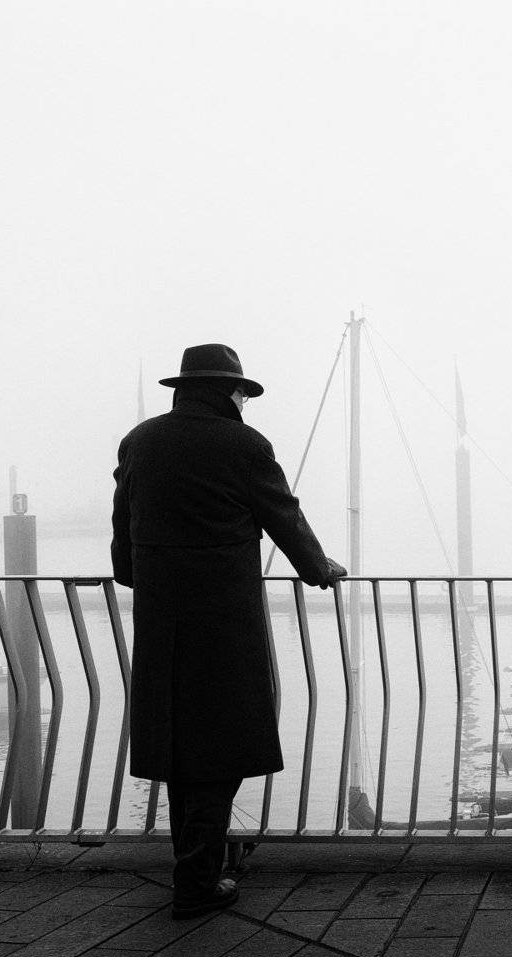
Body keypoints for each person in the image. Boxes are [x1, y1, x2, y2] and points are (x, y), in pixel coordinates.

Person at [111, 343, 346, 919]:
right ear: (226, 391)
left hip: (162, 618)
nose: (245, 401)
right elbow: (281, 514)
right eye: (242, 391)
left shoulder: (140, 440)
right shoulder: (244, 445)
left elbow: (123, 521)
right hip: (223, 617)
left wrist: (133, 574)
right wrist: (321, 569)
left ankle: (195, 868)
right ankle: (196, 884)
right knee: (220, 746)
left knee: (177, 744)